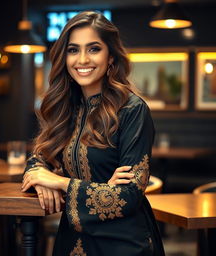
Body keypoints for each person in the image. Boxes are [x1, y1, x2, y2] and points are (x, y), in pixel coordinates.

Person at [22, 11, 165, 256]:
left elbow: (127, 197)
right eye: (73, 50)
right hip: (73, 243)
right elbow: (39, 158)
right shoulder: (66, 108)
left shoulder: (132, 110)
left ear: (111, 57)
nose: (83, 59)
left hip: (123, 244)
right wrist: (39, 174)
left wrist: (58, 182)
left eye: (94, 49)